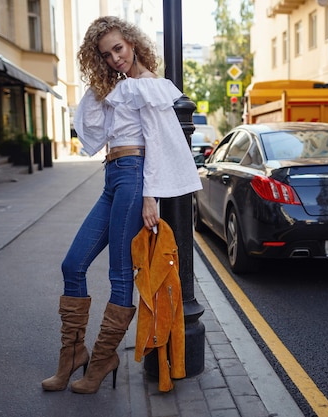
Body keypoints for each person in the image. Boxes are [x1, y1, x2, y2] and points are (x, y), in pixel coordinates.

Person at [41, 16, 202, 394]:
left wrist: (151, 197)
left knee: (119, 276)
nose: (115, 58)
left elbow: (158, 143)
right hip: (112, 176)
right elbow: (92, 133)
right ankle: (73, 355)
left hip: (132, 177)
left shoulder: (149, 87)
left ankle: (100, 362)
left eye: (119, 48)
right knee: (73, 264)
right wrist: (101, 86)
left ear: (132, 43)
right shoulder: (119, 87)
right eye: (106, 54)